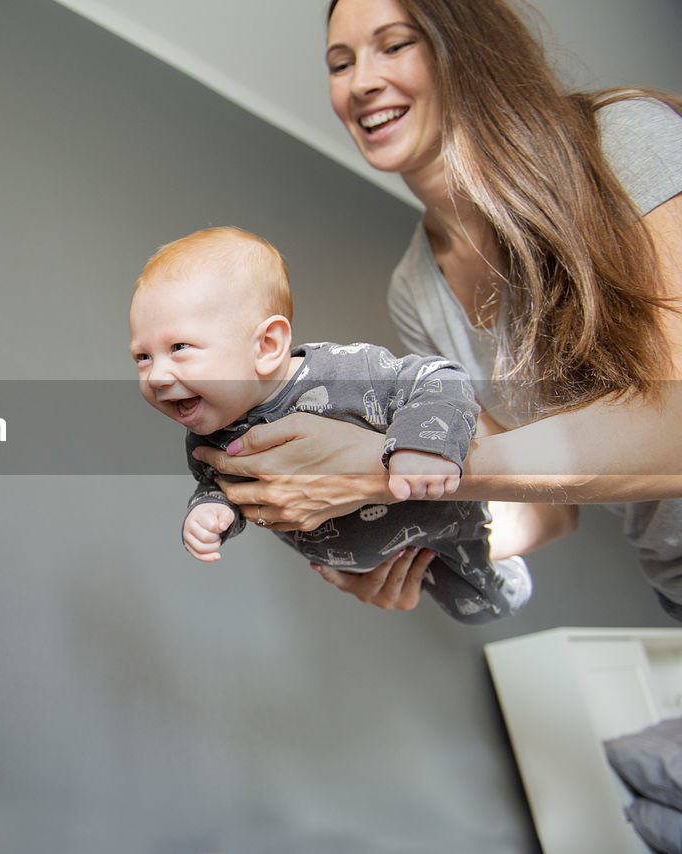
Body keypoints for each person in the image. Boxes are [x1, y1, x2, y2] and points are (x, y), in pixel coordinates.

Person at [193, 0, 682, 616]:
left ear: (465, 46)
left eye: (394, 45)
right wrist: (400, 538)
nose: (361, 82)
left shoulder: (623, 139)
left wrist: (382, 470)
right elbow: (546, 508)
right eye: (340, 63)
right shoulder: (416, 286)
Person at [129, 226, 531, 623]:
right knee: (435, 594)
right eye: (142, 357)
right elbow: (219, 487)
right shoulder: (206, 439)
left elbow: (442, 377)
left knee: (480, 606)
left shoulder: (346, 371)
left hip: (446, 523)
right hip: (381, 560)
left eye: (179, 348)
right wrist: (209, 513)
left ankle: (511, 570)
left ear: (267, 346)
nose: (157, 376)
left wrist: (421, 445)